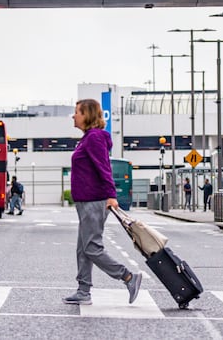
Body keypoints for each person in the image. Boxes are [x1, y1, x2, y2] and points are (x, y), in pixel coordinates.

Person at [62, 98, 143, 306]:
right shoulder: (88, 138)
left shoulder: (94, 138)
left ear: (87, 114)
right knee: (83, 248)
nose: (74, 115)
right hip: (86, 201)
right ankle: (83, 291)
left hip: (94, 201)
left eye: (77, 112)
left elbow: (103, 167)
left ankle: (128, 277)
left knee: (92, 247)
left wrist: (111, 195)